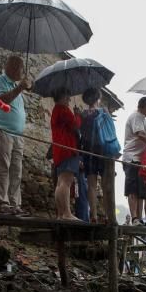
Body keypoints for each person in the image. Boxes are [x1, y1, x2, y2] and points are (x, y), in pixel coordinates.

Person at [0, 55, 30, 216]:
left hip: (17, 135)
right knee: (1, 168)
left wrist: (20, 88)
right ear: (11, 67)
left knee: (16, 171)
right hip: (0, 131)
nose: (23, 72)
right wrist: (20, 88)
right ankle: (2, 203)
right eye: (21, 68)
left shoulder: (15, 86)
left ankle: (14, 204)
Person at [122, 96, 146, 225]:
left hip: (140, 160)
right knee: (132, 189)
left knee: (140, 191)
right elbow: (140, 134)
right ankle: (134, 218)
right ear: (144, 106)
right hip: (132, 158)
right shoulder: (137, 116)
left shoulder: (142, 119)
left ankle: (138, 218)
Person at [50, 88, 81, 220]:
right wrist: (78, 115)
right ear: (62, 97)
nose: (69, 100)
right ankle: (67, 213)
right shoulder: (63, 110)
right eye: (67, 97)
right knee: (66, 181)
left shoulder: (55, 110)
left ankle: (60, 214)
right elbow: (75, 125)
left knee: (60, 182)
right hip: (68, 149)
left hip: (59, 150)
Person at [77, 87, 106, 223]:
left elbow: (79, 133)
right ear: (97, 99)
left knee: (92, 185)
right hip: (102, 152)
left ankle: (93, 216)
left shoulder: (83, 114)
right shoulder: (103, 112)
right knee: (106, 185)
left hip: (87, 152)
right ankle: (107, 215)